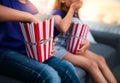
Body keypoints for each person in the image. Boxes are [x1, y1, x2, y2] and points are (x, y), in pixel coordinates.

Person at [0, 0, 81, 83]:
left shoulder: (33, 8)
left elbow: (36, 35)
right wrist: (28, 17)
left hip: (28, 52)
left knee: (67, 67)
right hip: (5, 51)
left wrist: (47, 46)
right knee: (50, 75)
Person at [52, 0, 117, 83]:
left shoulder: (74, 14)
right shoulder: (56, 13)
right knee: (91, 64)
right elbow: (63, 28)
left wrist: (87, 43)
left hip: (68, 45)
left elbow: (79, 34)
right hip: (58, 48)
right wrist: (72, 9)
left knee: (101, 59)